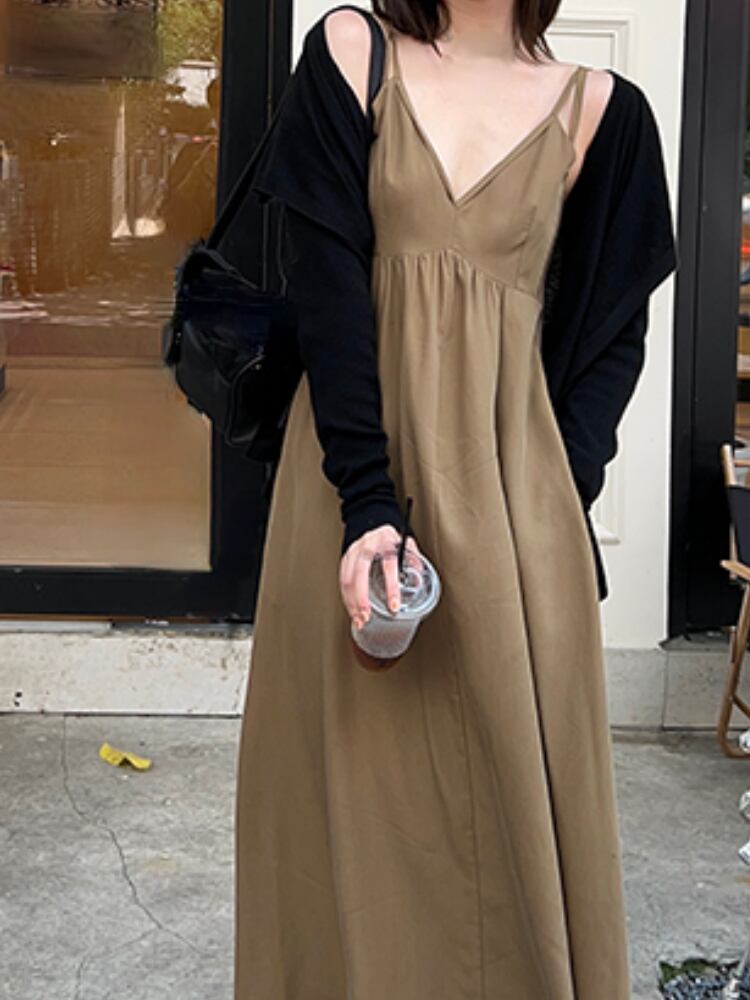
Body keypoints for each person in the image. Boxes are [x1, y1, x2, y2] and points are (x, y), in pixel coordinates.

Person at [234, 2, 678, 997]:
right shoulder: (353, 53)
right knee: (348, 790)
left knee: (507, 803)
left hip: (511, 501)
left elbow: (610, 341)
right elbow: (325, 284)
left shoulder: (602, 111)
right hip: (345, 486)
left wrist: (551, 495)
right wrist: (368, 504)